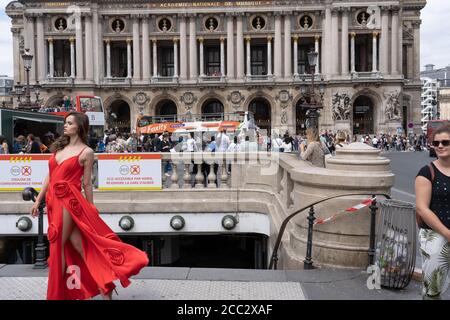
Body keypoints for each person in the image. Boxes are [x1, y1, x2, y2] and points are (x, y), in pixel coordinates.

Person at [29, 112, 148, 300]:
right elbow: (50, 176)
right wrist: (38, 200)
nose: (65, 126)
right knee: (80, 247)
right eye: (65, 123)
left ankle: (56, 295)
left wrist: (91, 207)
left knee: (57, 245)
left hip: (69, 201)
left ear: (79, 127)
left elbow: (87, 184)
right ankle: (105, 288)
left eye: (69, 123)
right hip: (53, 201)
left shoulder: (87, 152)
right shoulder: (60, 147)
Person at [415, 124, 450, 300]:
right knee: (433, 291)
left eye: (445, 142)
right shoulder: (426, 172)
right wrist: (447, 233)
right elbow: (422, 208)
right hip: (436, 236)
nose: (440, 146)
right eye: (436, 143)